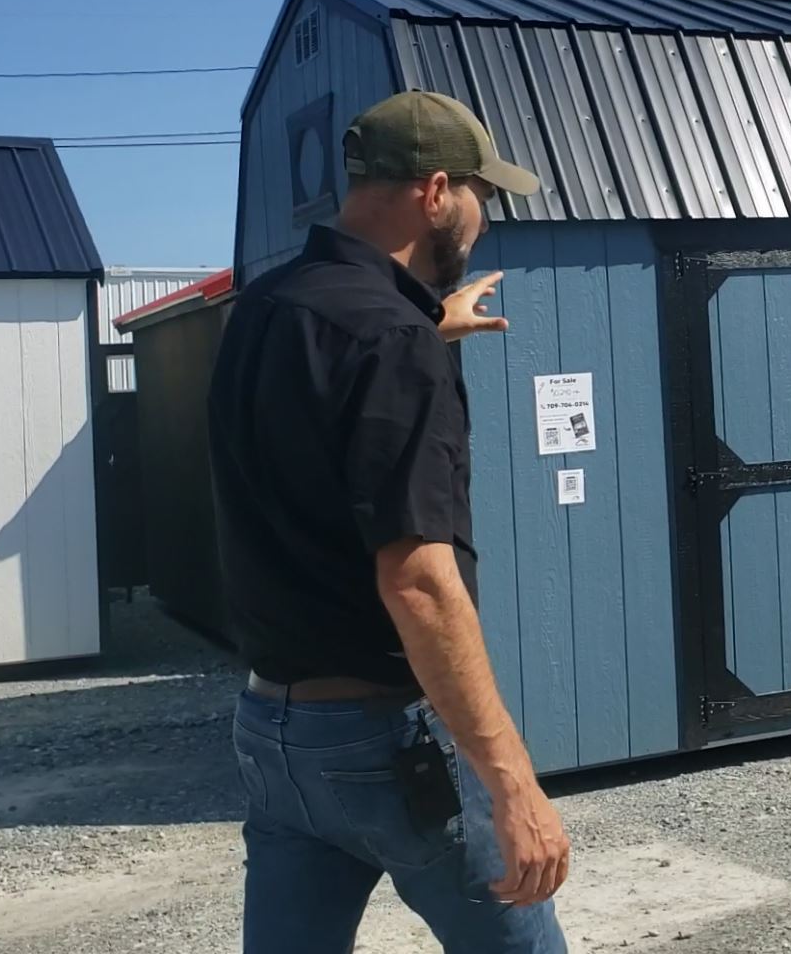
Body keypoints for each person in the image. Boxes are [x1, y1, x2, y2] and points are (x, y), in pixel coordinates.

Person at [206, 90, 570, 953]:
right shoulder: (389, 341)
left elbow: (324, 401)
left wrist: (426, 328)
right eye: (482, 195)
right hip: (381, 743)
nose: (484, 220)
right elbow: (418, 582)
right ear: (435, 191)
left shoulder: (268, 307)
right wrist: (512, 783)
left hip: (271, 732)